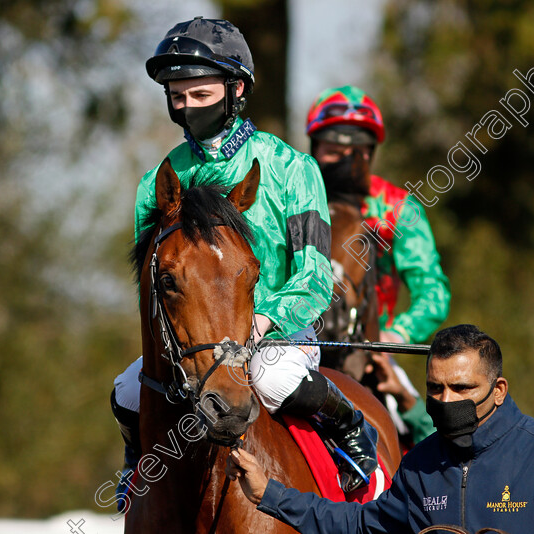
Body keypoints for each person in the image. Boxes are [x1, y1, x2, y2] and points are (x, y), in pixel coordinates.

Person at [110, 17, 380, 509]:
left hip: (278, 336)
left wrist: (263, 319)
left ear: (235, 88)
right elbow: (151, 292)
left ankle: (352, 431)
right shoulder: (156, 183)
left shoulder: (292, 169)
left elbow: (316, 276)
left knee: (272, 378)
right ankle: (138, 462)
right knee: (128, 390)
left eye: (200, 93)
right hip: (194, 342)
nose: (186, 106)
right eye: (177, 94)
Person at [226, 324, 534, 534]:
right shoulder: (419, 464)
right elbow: (360, 524)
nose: (447, 400)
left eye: (462, 388)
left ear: (499, 390)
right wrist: (270, 494)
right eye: (436, 388)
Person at [306, 85, 448, 446]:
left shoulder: (400, 208)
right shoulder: (294, 199)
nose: (343, 159)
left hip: (368, 345)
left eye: (354, 152)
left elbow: (432, 291)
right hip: (294, 341)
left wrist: (395, 336)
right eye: (332, 150)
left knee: (439, 443)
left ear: (370, 153)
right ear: (314, 149)